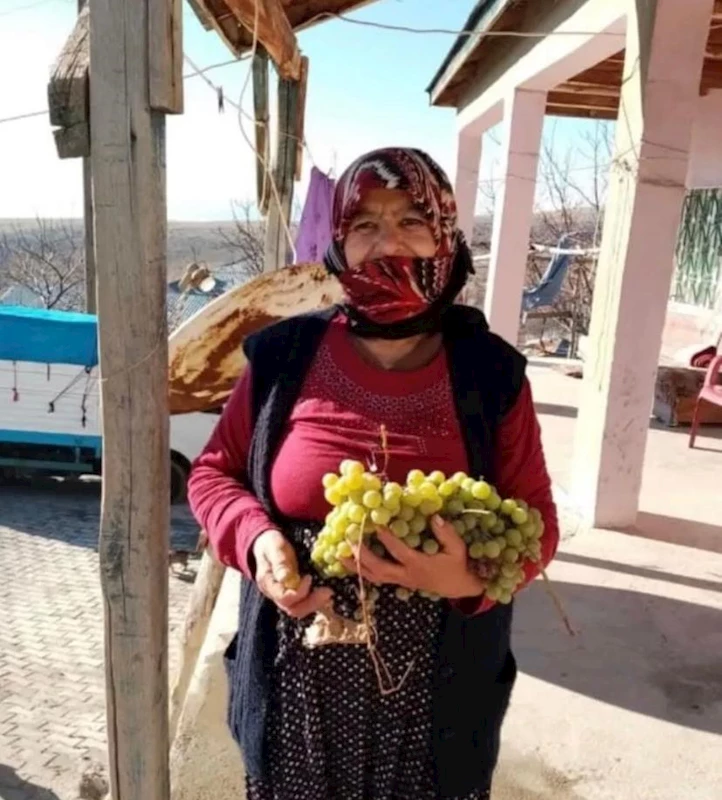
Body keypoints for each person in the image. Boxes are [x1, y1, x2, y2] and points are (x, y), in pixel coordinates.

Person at [188, 147, 559, 800]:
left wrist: (466, 578)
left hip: (437, 711)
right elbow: (214, 474)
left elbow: (538, 521)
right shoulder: (281, 357)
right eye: (365, 225)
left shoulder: (491, 375)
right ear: (338, 244)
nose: (388, 242)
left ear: (446, 237)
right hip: (292, 696)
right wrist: (255, 539)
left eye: (412, 221)